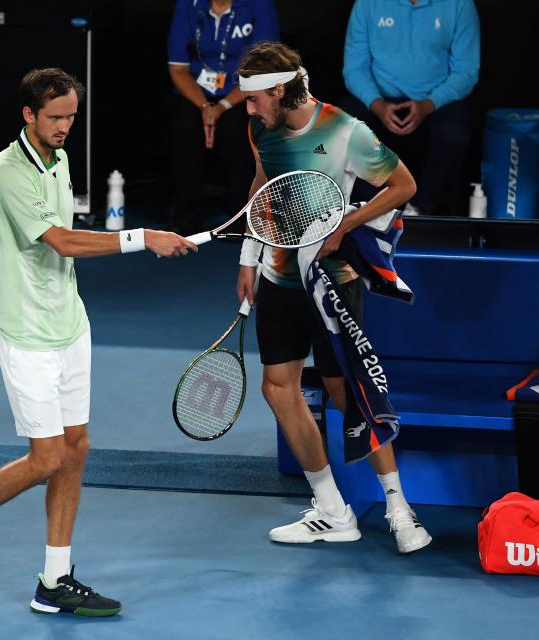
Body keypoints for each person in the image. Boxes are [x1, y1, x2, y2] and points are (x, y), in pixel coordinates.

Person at [0, 68, 196, 615]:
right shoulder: (6, 171)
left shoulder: (60, 157)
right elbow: (63, 242)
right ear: (28, 115)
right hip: (24, 331)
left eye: (71, 116)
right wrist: (145, 238)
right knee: (46, 457)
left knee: (76, 449)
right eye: (55, 117)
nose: (66, 126)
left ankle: (54, 579)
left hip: (70, 324)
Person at [235, 42, 432, 553]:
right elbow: (264, 187)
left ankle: (398, 509)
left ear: (278, 90)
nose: (248, 109)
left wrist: (349, 221)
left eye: (255, 99)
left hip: (331, 280)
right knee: (278, 388)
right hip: (279, 274)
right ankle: (331, 510)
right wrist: (248, 256)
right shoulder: (260, 128)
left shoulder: (345, 130)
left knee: (347, 393)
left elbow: (403, 184)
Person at [341, 0, 480, 216]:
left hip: (434, 102)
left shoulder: (459, 4)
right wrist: (377, 105)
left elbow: (466, 72)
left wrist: (428, 105)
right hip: (379, 101)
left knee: (455, 133)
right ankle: (377, 209)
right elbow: (354, 68)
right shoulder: (367, 3)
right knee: (343, 124)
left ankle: (419, 209)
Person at [166, 0, 279, 235]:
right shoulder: (188, 5)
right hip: (198, 91)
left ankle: (241, 215)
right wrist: (206, 106)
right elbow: (178, 68)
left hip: (245, 90)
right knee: (184, 125)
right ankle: (186, 216)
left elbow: (262, 69)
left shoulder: (259, 5)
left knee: (236, 128)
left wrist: (221, 107)